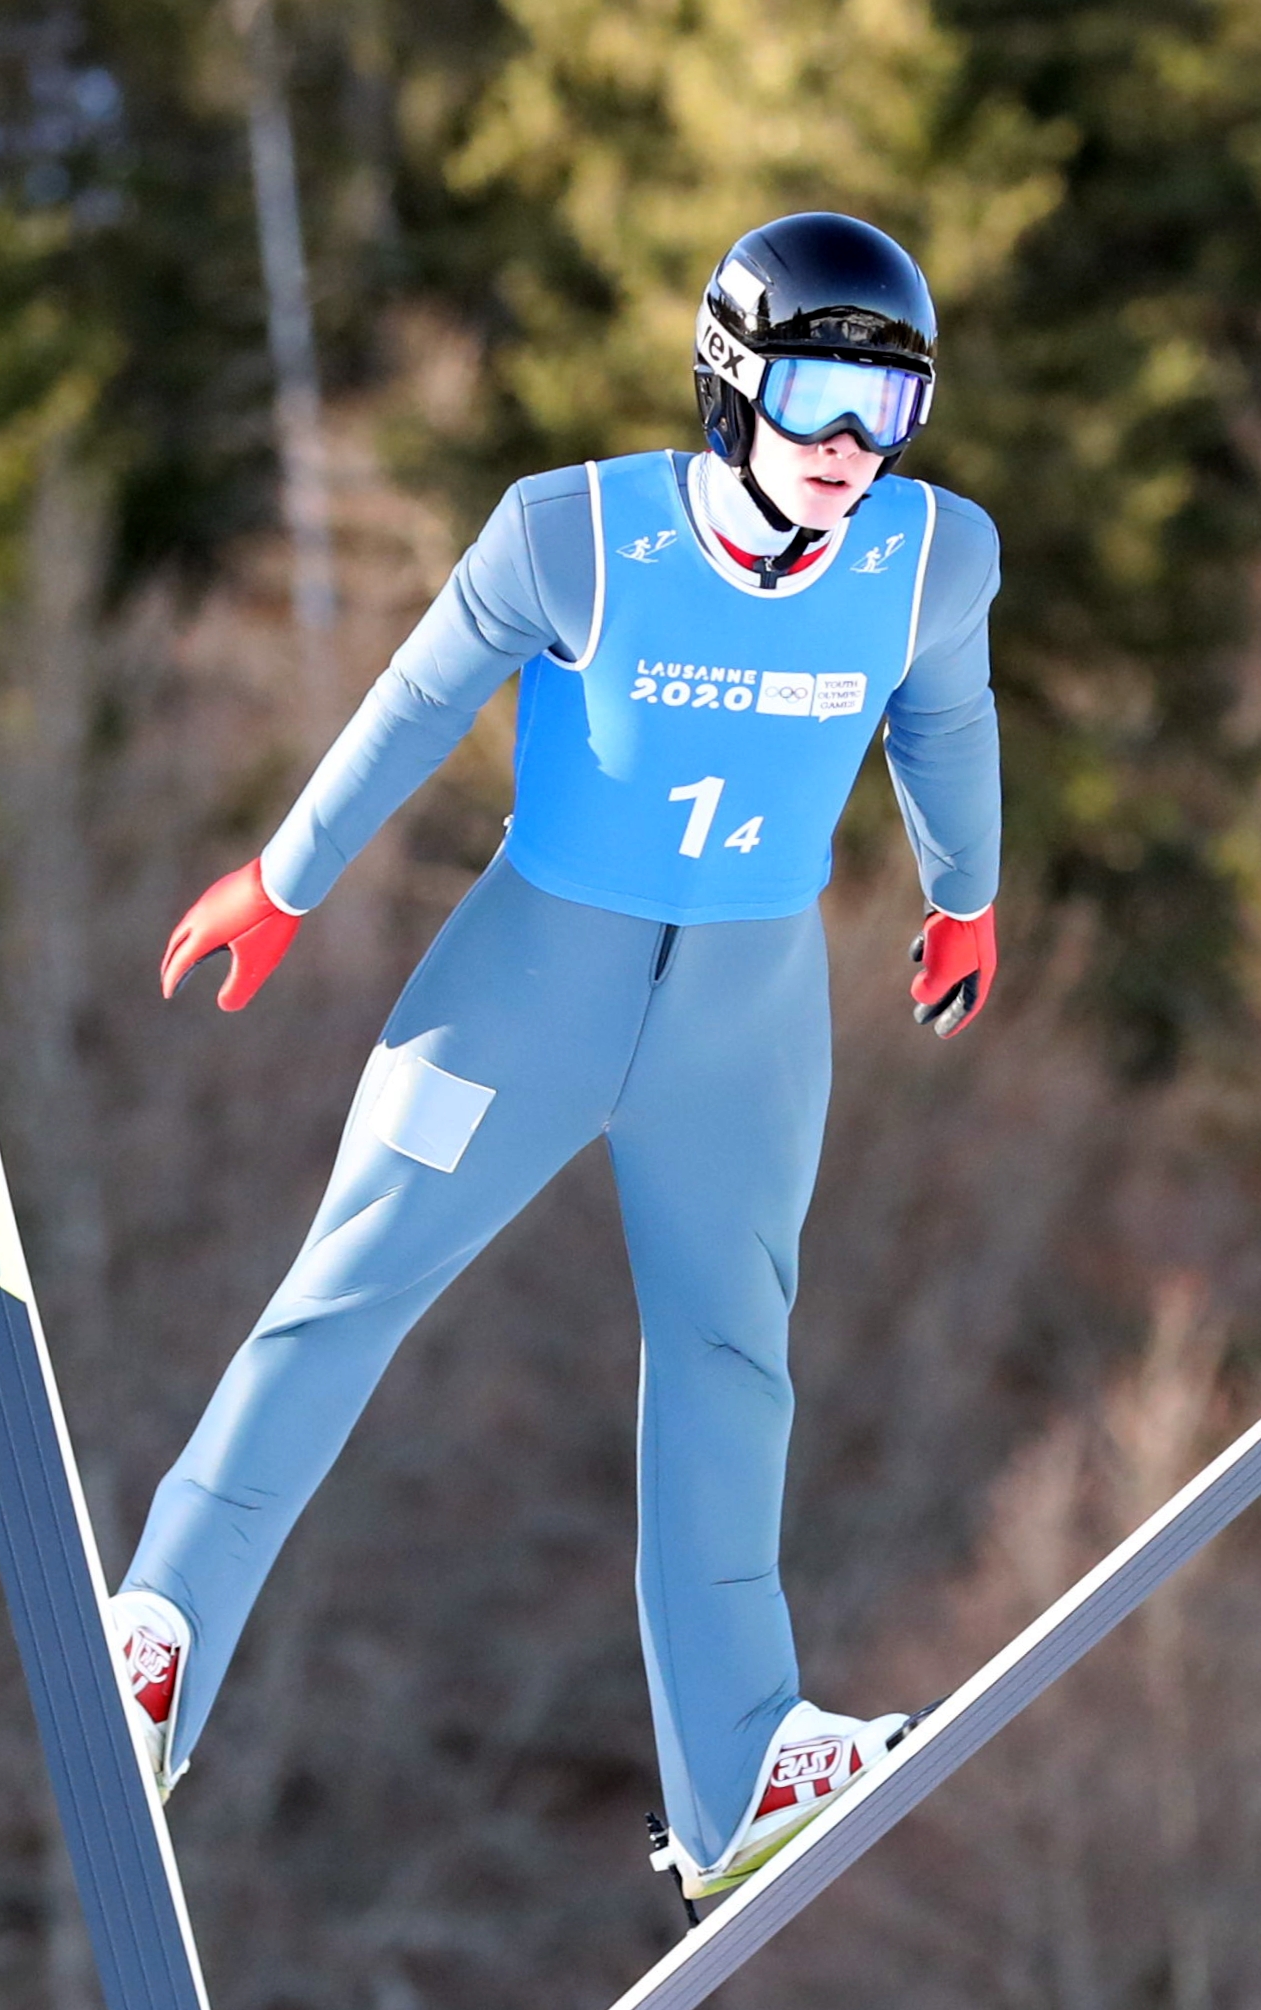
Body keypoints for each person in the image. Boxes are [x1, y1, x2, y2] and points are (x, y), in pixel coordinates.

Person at [105, 211, 1002, 1904]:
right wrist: (284, 883)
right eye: (817, 399)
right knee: (351, 1280)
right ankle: (157, 1633)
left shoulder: (931, 558)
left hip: (747, 1012)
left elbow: (947, 718)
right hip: (534, 978)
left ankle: (737, 1775)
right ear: (734, 382)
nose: (848, 452)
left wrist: (967, 900)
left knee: (733, 1357)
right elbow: (416, 701)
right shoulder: (573, 533)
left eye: (888, 413)